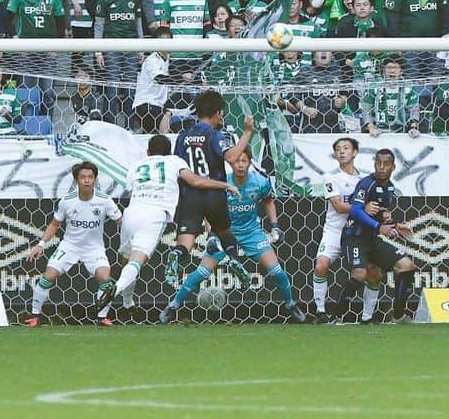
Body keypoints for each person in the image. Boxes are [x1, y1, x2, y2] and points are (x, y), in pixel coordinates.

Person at [95, 131, 237, 324]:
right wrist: (224, 185)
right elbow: (195, 181)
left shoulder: (136, 165)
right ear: (169, 151)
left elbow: (130, 187)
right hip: (154, 214)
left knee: (126, 261)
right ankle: (116, 290)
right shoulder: (175, 161)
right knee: (137, 261)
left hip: (131, 212)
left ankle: (128, 304)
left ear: (148, 151)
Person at [160, 143, 305, 322]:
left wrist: (274, 225)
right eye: (236, 161)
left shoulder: (260, 182)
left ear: (250, 163)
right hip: (224, 231)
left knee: (277, 271)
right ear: (230, 164)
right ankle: (172, 306)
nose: (240, 165)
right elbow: (208, 206)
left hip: (252, 232)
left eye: (244, 161)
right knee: (202, 273)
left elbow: (268, 201)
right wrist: (211, 230)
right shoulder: (222, 183)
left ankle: (290, 305)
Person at [165, 88, 255, 288]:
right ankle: (234, 260)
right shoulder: (214, 135)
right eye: (221, 112)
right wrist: (248, 132)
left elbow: (178, 167)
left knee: (185, 242)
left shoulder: (182, 137)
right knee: (225, 232)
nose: (222, 116)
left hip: (189, 196)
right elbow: (231, 157)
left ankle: (176, 255)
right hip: (214, 195)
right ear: (216, 113)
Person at [25, 160, 122, 326]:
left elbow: (121, 221)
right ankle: (35, 316)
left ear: (95, 179)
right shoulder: (67, 201)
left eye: (90, 177)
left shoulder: (105, 201)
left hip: (94, 249)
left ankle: (101, 317)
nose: (86, 180)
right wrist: (41, 244)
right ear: (77, 180)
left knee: (106, 280)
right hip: (69, 246)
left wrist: (130, 241)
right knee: (48, 277)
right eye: (83, 177)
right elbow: (55, 224)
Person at [337, 147, 419, 324]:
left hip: (372, 238)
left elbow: (379, 214)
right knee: (360, 274)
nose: (381, 167)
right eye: (378, 163)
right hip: (355, 237)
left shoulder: (390, 189)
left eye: (386, 164)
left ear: (393, 167)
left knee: (406, 266)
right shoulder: (366, 184)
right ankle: (334, 316)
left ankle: (397, 316)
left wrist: (395, 224)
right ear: (374, 164)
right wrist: (378, 227)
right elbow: (356, 211)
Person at [311, 135, 362, 322]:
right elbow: (339, 206)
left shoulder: (364, 179)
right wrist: (364, 208)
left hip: (357, 232)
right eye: (338, 149)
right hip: (334, 231)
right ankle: (320, 311)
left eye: (346, 148)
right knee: (321, 265)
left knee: (371, 272)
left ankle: (367, 315)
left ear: (355, 152)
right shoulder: (331, 177)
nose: (341, 151)